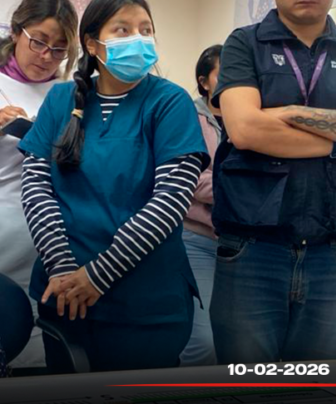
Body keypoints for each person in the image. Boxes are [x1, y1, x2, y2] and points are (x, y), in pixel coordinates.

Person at [18, 0, 209, 373]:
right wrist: (61, 266)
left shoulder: (170, 102)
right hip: (64, 292)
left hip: (144, 303)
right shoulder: (61, 100)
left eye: (146, 30)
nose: (139, 38)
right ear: (92, 43)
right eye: (123, 29)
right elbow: (36, 185)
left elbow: (172, 200)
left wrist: (97, 275)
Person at [209, 0, 336, 364]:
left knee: (311, 382)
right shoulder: (245, 43)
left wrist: (290, 113)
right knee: (248, 382)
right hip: (254, 247)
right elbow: (245, 130)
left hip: (333, 249)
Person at [0, 0, 78, 369]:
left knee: (38, 352)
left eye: (59, 49)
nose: (47, 56)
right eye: (39, 42)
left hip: (49, 243)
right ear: (16, 32)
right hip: (4, 233)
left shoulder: (71, 95)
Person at [180, 44, 223, 367]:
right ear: (203, 81)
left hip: (247, 245)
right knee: (203, 341)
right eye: (223, 74)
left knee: (236, 340)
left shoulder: (253, 118)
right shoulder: (188, 116)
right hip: (198, 238)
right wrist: (240, 189)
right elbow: (190, 178)